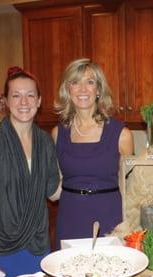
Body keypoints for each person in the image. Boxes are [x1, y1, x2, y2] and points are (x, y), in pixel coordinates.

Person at [0, 66, 60, 277]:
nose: (24, 102)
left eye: (30, 95)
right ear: (6, 101)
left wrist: (80, 171)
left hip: (37, 247)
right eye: (16, 96)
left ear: (39, 101)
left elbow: (53, 192)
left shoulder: (45, 141)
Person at [52, 58, 133, 247]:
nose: (82, 89)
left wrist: (129, 226)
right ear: (67, 90)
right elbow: (56, 183)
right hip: (69, 218)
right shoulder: (58, 133)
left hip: (109, 217)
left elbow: (129, 189)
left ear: (98, 89)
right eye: (75, 82)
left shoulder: (122, 135)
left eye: (89, 82)